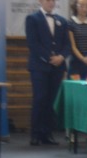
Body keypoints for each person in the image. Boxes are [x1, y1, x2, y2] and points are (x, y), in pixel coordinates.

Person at [25, 0, 71, 146]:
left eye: (53, 0)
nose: (51, 3)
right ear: (41, 1)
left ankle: (47, 133)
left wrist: (61, 57)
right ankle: (36, 133)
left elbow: (67, 44)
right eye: (47, 0)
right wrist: (49, 58)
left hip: (57, 67)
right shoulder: (32, 19)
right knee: (40, 98)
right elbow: (33, 43)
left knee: (52, 100)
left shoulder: (62, 21)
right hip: (39, 66)